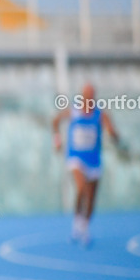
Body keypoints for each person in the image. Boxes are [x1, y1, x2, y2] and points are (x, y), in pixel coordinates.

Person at [52, 83, 120, 246]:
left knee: (91, 198)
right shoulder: (74, 112)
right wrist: (57, 140)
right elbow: (55, 121)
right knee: (81, 188)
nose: (88, 98)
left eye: (91, 95)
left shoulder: (100, 114)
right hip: (76, 158)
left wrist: (114, 136)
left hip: (94, 160)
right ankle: (76, 222)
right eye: (85, 95)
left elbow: (112, 132)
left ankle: (84, 227)